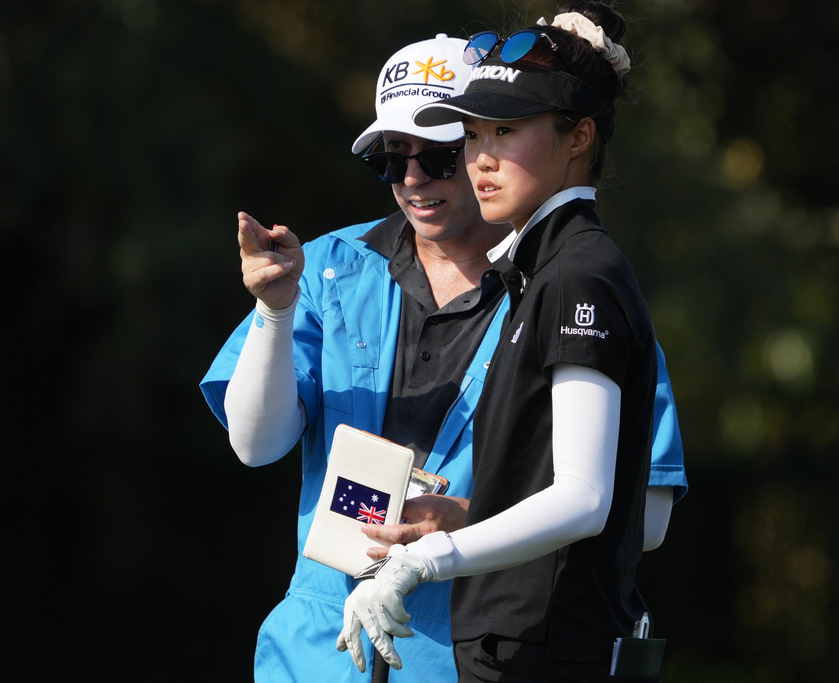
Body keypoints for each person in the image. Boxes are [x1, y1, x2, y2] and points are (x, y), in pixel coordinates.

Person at [201, 30, 685, 683]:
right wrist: (275, 308)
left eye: (440, 156)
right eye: (391, 159)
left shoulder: (576, 289)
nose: (412, 180)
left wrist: (466, 519)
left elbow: (641, 518)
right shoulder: (325, 268)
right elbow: (255, 444)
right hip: (317, 649)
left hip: (472, 652)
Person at [337, 4, 670, 682]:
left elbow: (582, 497)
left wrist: (421, 560)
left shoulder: (580, 272)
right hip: (515, 648)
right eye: (474, 134)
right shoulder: (541, 269)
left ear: (578, 137)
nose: (480, 158)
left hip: (553, 653)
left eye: (508, 131)